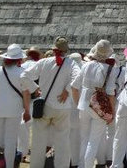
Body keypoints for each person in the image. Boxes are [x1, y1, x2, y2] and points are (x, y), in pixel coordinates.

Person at [24, 37, 78, 168]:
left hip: (44, 105)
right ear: (66, 50)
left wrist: (34, 88)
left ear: (54, 50)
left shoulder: (44, 62)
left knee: (38, 141)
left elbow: (24, 75)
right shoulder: (71, 63)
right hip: (62, 106)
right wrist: (67, 90)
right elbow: (78, 76)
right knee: (62, 142)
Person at [0, 44, 37, 168]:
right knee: (10, 141)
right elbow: (27, 93)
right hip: (14, 110)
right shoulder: (22, 73)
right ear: (19, 59)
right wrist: (27, 111)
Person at [72, 40, 120, 168]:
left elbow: (74, 87)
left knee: (84, 139)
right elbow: (110, 93)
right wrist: (112, 111)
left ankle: (81, 165)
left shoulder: (86, 65)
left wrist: (78, 103)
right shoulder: (111, 69)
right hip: (99, 107)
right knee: (93, 141)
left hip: (84, 104)